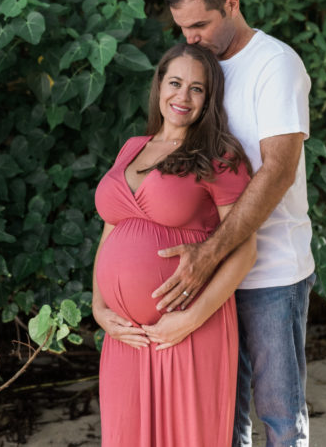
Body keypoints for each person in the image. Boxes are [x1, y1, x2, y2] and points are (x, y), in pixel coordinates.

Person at [153, 0, 316, 447]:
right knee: (221, 413)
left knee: (280, 415)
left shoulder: (275, 64)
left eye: (200, 24)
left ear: (232, 4)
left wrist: (208, 253)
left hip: (271, 274)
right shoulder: (197, 69)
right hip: (214, 272)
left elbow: (279, 171)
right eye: (182, 28)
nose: (191, 38)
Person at [92, 42, 257, 446]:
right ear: (159, 85)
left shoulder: (219, 156)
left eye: (197, 89)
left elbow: (245, 249)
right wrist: (99, 308)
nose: (183, 97)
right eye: (176, 83)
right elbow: (110, 232)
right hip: (125, 336)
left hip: (186, 330)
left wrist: (191, 318)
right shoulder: (132, 148)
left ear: (209, 98)